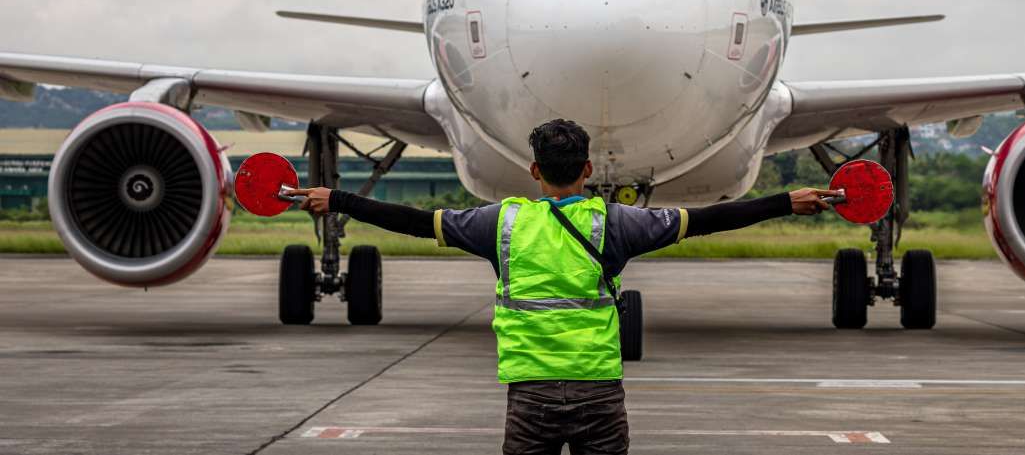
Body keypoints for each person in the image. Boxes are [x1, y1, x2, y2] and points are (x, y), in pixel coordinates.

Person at [286, 118, 839, 455]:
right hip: (599, 392)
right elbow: (711, 219)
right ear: (588, 168)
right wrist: (785, 202)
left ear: (533, 170)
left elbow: (409, 219)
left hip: (530, 396)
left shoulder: (500, 223)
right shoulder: (617, 223)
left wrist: (338, 200)